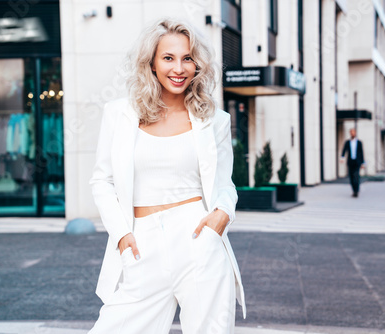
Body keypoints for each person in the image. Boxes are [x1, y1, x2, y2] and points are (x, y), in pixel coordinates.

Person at [87, 18, 246, 334]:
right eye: (169, 58)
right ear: (152, 63)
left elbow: (225, 183)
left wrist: (222, 216)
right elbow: (101, 181)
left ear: (197, 64)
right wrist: (121, 235)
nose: (179, 68)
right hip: (140, 243)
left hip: (199, 239)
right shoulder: (120, 113)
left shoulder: (214, 119)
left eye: (187, 58)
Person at [340, 128, 365, 197]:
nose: (352, 133)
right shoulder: (348, 142)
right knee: (351, 177)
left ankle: (356, 191)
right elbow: (344, 150)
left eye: (353, 132)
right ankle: (354, 190)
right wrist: (342, 157)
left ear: (355, 133)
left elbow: (361, 153)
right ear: (350, 133)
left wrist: (363, 163)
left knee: (356, 176)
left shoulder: (359, 142)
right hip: (350, 162)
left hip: (357, 162)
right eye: (351, 132)